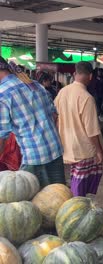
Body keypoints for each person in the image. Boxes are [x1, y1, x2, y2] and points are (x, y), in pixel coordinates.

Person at [0, 57, 64, 186]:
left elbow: (1, 136)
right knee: (58, 197)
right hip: (55, 150)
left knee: (33, 203)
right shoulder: (35, 84)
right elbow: (54, 115)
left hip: (33, 158)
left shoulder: (3, 94)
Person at [54, 61, 103, 197]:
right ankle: (78, 206)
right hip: (84, 148)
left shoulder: (62, 92)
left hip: (67, 144)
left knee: (75, 176)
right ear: (90, 77)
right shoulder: (87, 98)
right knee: (81, 183)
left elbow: (54, 116)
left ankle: (78, 204)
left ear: (74, 74)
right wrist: (99, 151)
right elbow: (91, 130)